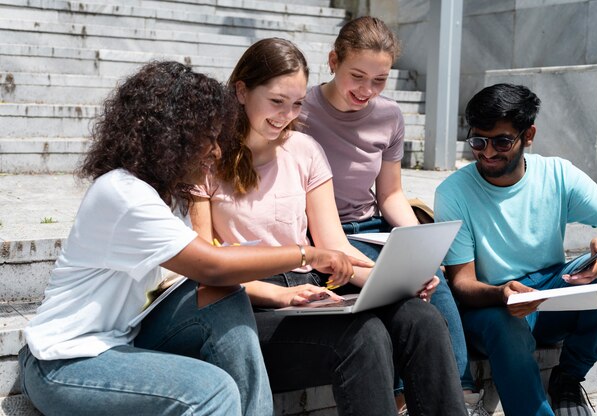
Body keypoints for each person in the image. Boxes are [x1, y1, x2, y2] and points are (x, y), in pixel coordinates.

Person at [18, 60, 364, 416]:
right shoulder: (122, 195)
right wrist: (306, 254)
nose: (216, 152)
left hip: (125, 338)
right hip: (63, 364)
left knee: (223, 297)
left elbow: (213, 279)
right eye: (208, 139)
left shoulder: (166, 193)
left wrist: (281, 293)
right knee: (211, 389)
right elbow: (212, 265)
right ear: (170, 137)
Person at [193, 37, 467, 416]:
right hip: (251, 302)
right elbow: (204, 267)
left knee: (421, 318)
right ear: (241, 91)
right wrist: (282, 296)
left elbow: (335, 244)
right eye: (276, 101)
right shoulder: (205, 160)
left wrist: (392, 277)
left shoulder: (304, 150)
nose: (286, 115)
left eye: (297, 104)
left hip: (314, 289)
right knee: (363, 336)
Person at [297, 15, 483, 414]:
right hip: (323, 235)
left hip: (373, 228)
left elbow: (391, 193)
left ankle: (455, 393)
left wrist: (418, 242)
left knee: (436, 286)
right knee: (403, 298)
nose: (366, 91)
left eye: (379, 80)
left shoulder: (389, 116)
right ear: (333, 61)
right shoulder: (302, 112)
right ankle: (402, 397)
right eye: (357, 76)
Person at [434, 83, 597, 416]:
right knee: (505, 325)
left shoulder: (558, 174)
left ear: (529, 134)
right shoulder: (454, 192)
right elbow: (462, 284)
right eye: (478, 141)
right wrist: (500, 294)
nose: (488, 152)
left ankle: (568, 378)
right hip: (491, 305)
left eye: (502, 141)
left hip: (551, 292)